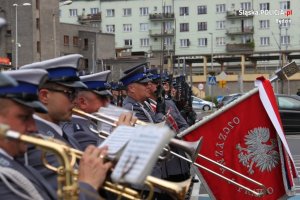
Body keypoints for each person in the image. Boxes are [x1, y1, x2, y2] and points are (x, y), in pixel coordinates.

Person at [0, 69, 111, 200]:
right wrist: (87, 186)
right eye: (24, 117)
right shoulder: (5, 177)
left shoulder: (14, 160)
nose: (33, 127)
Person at [64, 70, 136, 150]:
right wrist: (119, 135)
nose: (108, 102)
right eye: (103, 98)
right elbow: (99, 160)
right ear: (83, 102)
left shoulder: (91, 124)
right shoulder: (78, 133)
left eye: (108, 98)